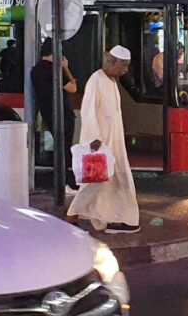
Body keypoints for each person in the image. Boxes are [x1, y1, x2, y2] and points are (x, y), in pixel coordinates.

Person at [68, 46, 139, 234]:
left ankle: (126, 219)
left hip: (113, 141)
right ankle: (72, 215)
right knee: (95, 181)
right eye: (123, 66)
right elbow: (88, 110)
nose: (125, 71)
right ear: (112, 62)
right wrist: (94, 138)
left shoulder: (111, 81)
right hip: (100, 142)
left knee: (116, 179)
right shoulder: (96, 80)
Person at [30, 38, 78, 190]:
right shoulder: (55, 69)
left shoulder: (36, 69)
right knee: (65, 148)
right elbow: (73, 87)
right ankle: (64, 183)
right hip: (63, 113)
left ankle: (61, 182)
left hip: (47, 113)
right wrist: (66, 68)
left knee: (59, 146)